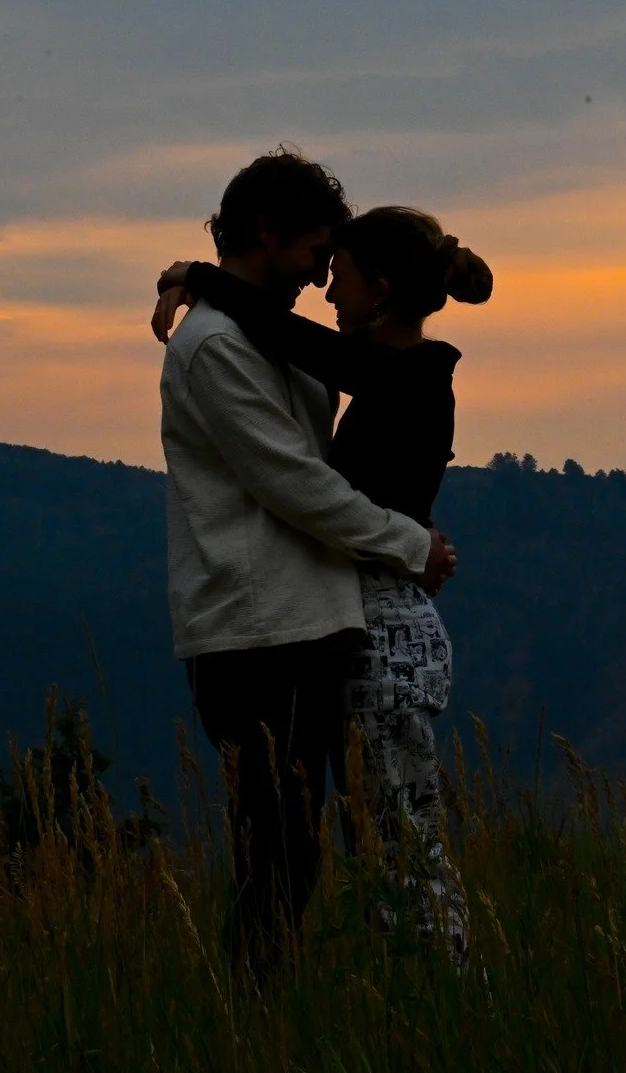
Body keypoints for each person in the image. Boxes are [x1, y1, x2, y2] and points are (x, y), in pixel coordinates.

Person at [153, 204, 492, 959]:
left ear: (379, 286)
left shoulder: (399, 375)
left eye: (339, 278)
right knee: (387, 835)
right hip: (383, 623)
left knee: (400, 839)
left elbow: (286, 336)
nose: (328, 293)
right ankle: (425, 1002)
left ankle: (448, 998)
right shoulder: (401, 376)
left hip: (391, 636)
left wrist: (202, 279)